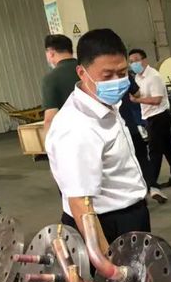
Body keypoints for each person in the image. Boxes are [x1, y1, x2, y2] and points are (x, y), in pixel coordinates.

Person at [46, 29, 150, 245]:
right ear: (82, 73)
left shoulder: (107, 104)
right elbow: (80, 203)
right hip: (104, 224)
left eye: (122, 73)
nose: (117, 81)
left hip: (130, 215)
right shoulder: (75, 126)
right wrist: (104, 257)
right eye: (107, 75)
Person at [128, 48, 171, 189]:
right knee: (168, 148)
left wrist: (136, 100)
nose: (134, 64)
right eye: (131, 62)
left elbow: (157, 99)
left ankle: (151, 183)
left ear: (145, 60)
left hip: (159, 116)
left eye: (136, 60)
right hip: (150, 116)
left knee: (154, 150)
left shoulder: (153, 76)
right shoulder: (137, 78)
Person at [120, 74, 166, 204]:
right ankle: (153, 187)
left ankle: (137, 196)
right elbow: (137, 93)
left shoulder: (93, 79)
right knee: (142, 158)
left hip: (112, 130)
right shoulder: (124, 74)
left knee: (124, 164)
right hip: (130, 125)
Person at [42, 34, 79, 135]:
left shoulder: (51, 78)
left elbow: (50, 118)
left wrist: (47, 141)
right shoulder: (86, 69)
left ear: (50, 53)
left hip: (71, 134)